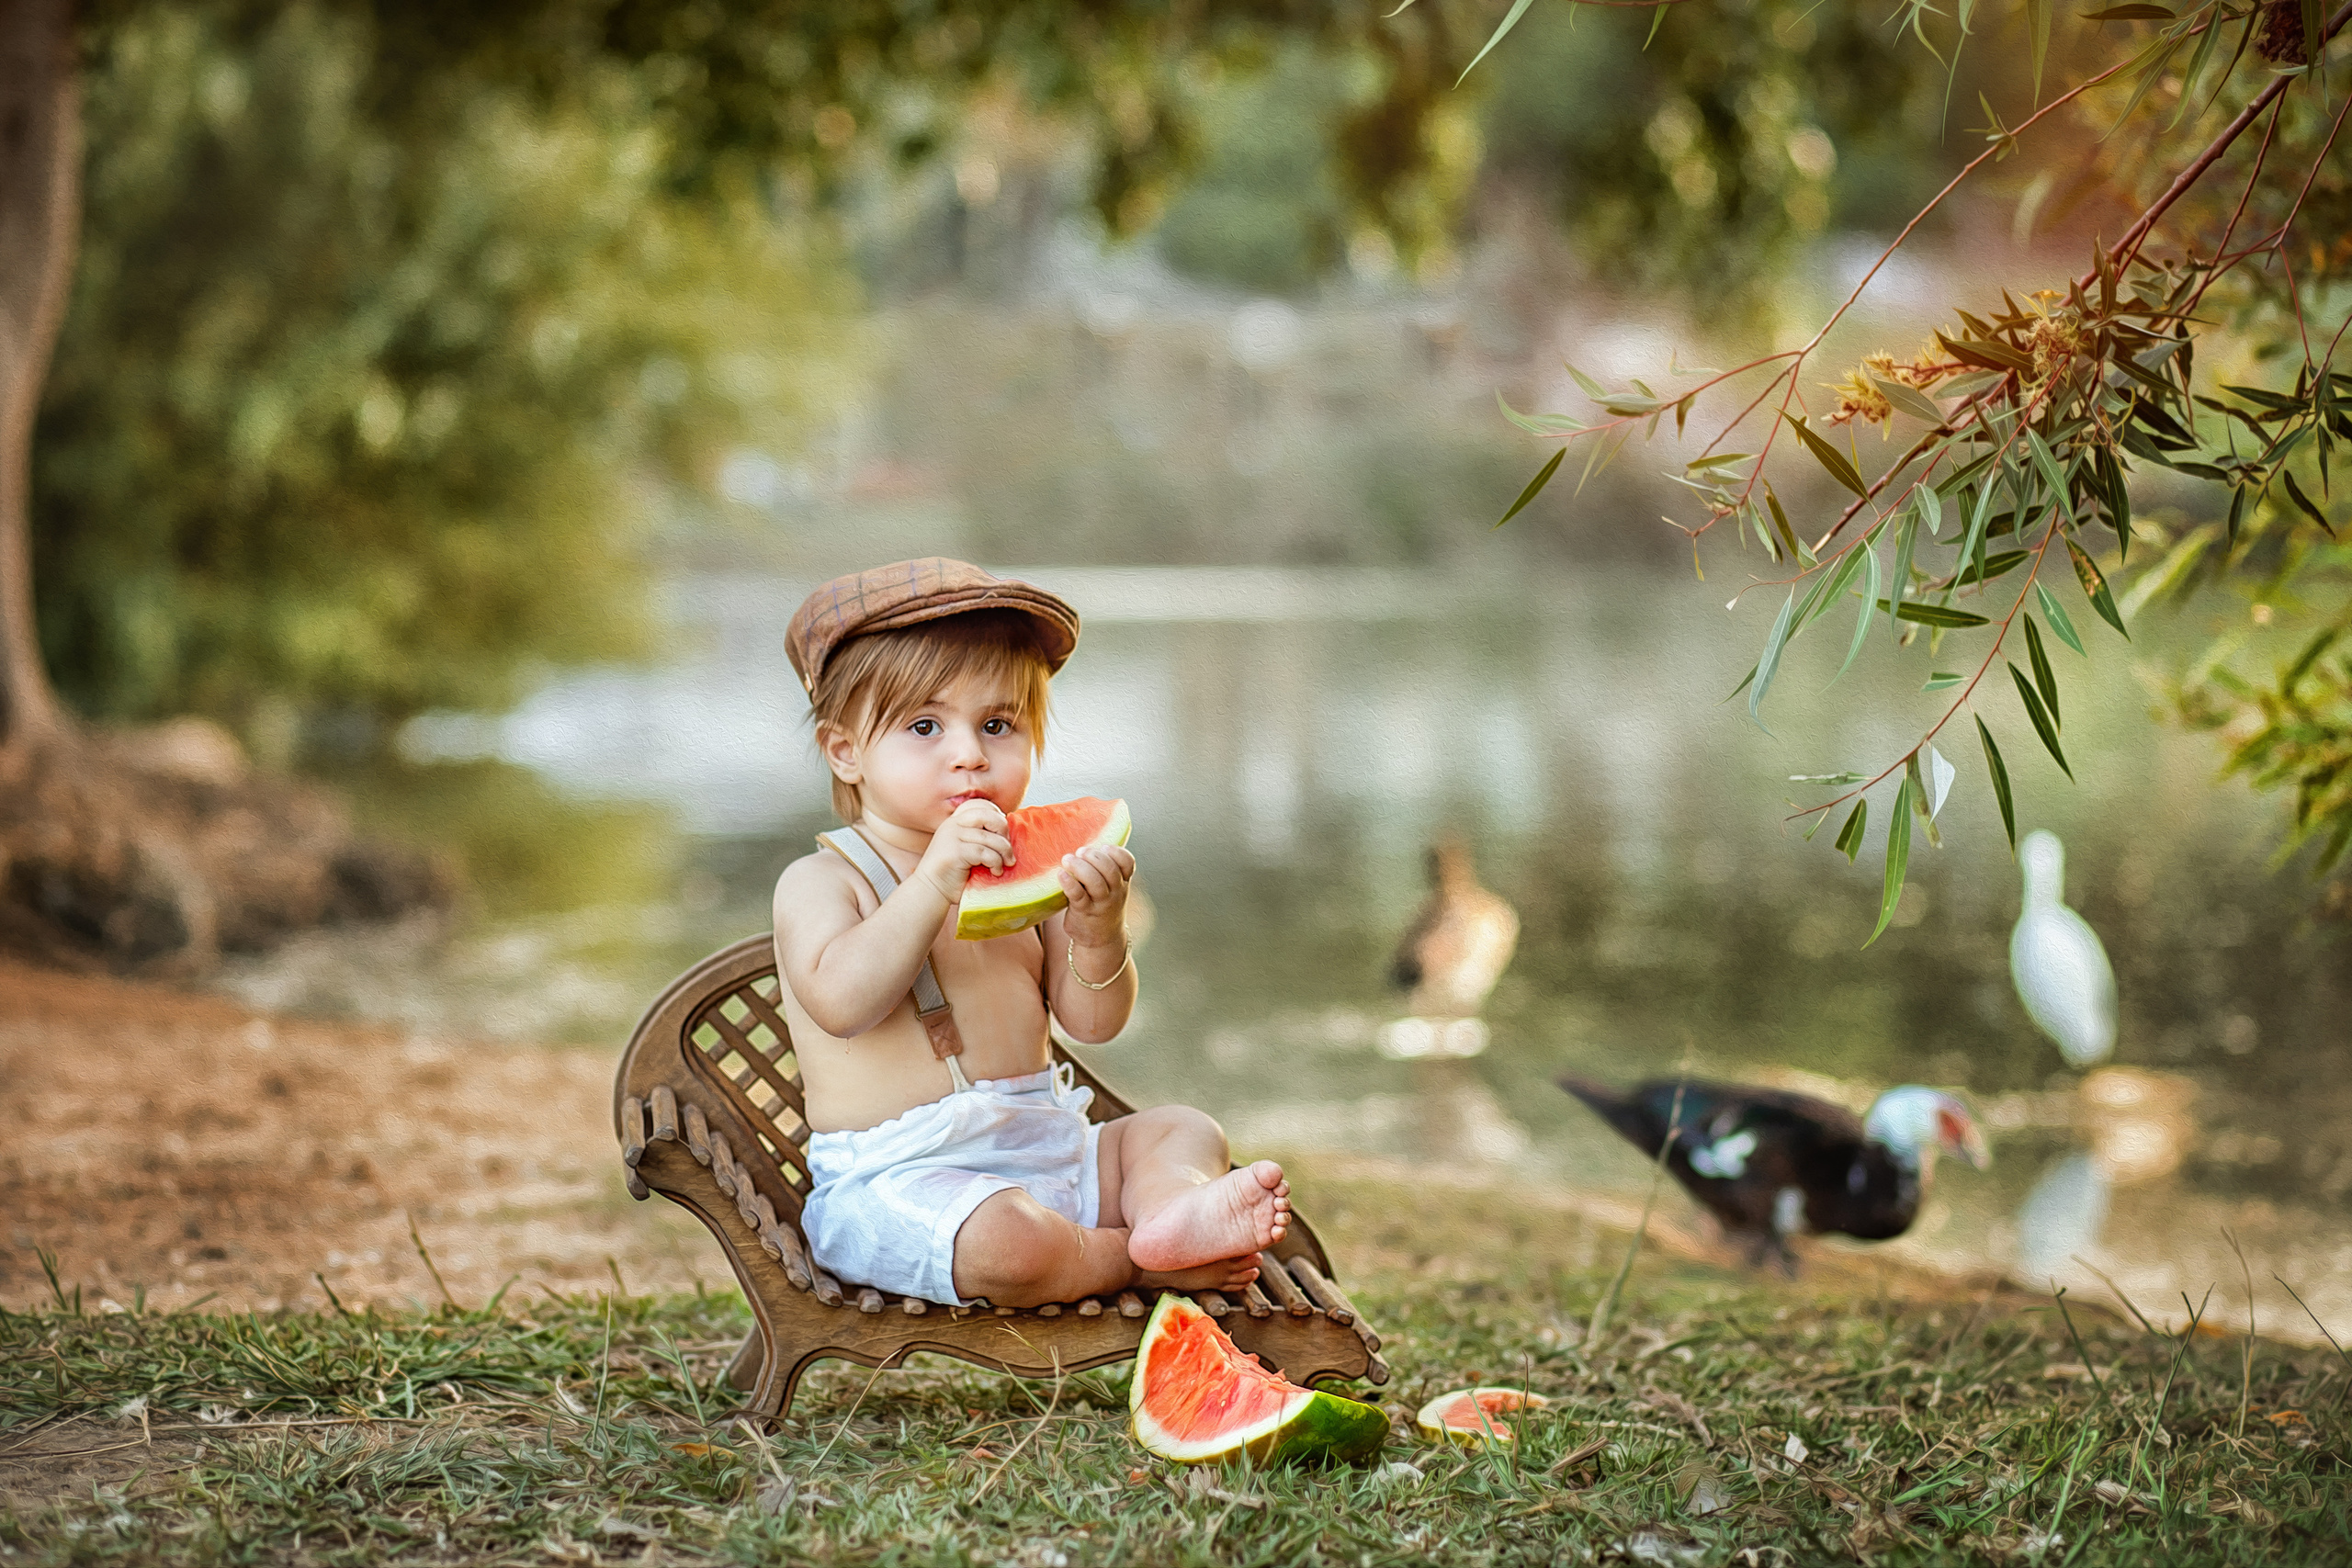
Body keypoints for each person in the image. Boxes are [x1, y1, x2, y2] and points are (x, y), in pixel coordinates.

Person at [770, 558, 1289, 1308]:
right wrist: (933, 882)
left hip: (1051, 1149)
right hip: (901, 1184)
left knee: (1183, 1129)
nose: (970, 753)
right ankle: (1137, 1260)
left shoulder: (1025, 875)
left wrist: (1098, 931)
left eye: (998, 725)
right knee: (1010, 1242)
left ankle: (1169, 1215)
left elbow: (1094, 1023)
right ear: (846, 750)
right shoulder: (824, 879)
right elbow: (842, 1003)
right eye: (925, 726)